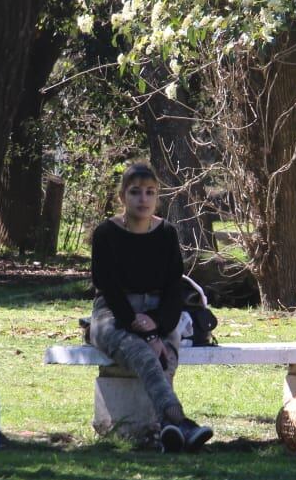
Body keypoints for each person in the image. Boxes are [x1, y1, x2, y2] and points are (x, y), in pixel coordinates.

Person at [90, 161, 212, 453]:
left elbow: (173, 287)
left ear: (158, 197)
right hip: (115, 314)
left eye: (149, 192)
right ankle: (177, 420)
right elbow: (109, 289)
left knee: (165, 356)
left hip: (158, 313)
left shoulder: (166, 233)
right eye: (135, 192)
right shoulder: (106, 234)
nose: (142, 199)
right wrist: (145, 334)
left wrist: (156, 324)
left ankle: (164, 431)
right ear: (122, 197)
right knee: (147, 356)